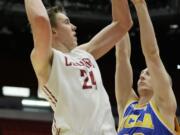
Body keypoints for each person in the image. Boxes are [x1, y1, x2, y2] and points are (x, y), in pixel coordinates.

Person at [24, 0, 133, 134]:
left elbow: (123, 24)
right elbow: (40, 20)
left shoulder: (85, 53)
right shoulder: (45, 59)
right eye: (66, 22)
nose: (74, 26)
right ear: (52, 31)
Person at [115, 0, 177, 134]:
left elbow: (152, 55)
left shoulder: (163, 105)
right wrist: (118, 3)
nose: (142, 75)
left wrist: (140, 4)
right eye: (142, 73)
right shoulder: (127, 104)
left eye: (148, 73)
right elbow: (122, 55)